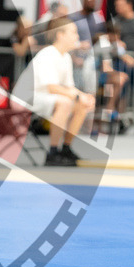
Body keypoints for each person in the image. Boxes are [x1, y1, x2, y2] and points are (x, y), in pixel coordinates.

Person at [29, 18, 94, 167]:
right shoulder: (48, 54)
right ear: (60, 35)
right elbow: (52, 88)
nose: (77, 36)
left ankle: (66, 148)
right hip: (29, 98)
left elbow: (68, 87)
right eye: (73, 32)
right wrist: (78, 95)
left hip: (46, 96)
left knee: (81, 104)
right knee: (65, 102)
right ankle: (52, 153)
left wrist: (84, 97)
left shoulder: (65, 57)